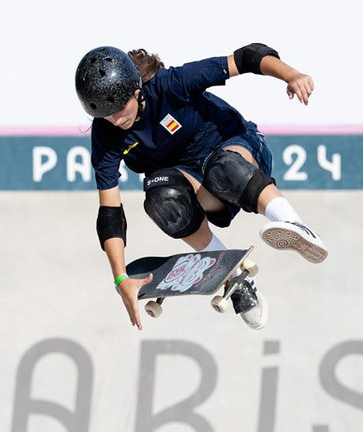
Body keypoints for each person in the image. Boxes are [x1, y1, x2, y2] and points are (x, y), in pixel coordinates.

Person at [75, 43, 328, 331]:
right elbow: (110, 214)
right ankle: (232, 274)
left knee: (223, 169)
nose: (117, 120)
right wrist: (121, 279)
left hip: (239, 149)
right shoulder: (106, 134)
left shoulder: (171, 85)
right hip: (196, 183)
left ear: (136, 90)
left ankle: (292, 222)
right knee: (161, 198)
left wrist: (291, 75)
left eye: (121, 109)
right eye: (107, 115)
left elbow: (248, 58)